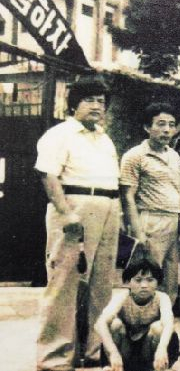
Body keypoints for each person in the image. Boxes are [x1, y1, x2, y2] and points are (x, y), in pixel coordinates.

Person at [35, 78, 120, 370]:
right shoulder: (60, 135)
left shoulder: (104, 139)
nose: (97, 106)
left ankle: (95, 352)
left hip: (108, 208)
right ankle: (55, 358)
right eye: (90, 100)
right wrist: (66, 212)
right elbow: (48, 175)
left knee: (101, 286)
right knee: (64, 284)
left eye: (101, 102)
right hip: (75, 208)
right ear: (74, 104)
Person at [120, 102, 180, 304]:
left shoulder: (174, 156)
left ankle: (165, 319)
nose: (167, 130)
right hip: (150, 220)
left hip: (174, 221)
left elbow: (179, 190)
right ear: (147, 127)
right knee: (147, 278)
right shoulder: (135, 156)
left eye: (171, 125)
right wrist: (138, 233)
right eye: (161, 124)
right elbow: (127, 196)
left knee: (172, 279)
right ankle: (141, 319)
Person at [94, 258, 179, 371]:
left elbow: (168, 324)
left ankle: (158, 367)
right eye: (138, 280)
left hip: (149, 352)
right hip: (125, 352)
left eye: (150, 280)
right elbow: (100, 323)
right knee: (115, 324)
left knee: (158, 327)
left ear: (158, 282)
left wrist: (162, 348)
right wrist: (113, 352)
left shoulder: (162, 297)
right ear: (128, 282)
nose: (144, 285)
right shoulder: (122, 296)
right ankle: (113, 366)